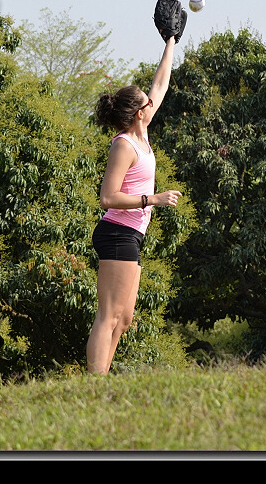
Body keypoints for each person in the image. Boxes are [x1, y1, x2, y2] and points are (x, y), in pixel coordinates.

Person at [86, 36, 182, 374]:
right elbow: (108, 197)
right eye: (147, 102)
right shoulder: (124, 145)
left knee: (124, 319)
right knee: (109, 314)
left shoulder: (142, 133)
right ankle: (94, 386)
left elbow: (161, 82)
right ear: (140, 112)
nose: (153, 102)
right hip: (117, 231)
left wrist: (171, 41)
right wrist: (152, 199)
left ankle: (103, 376)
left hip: (132, 234)